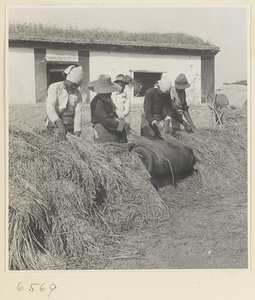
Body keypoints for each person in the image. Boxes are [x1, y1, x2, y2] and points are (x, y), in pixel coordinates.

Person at [141, 76, 193, 140]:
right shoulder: (150, 93)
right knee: (150, 139)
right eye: (162, 94)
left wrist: (167, 121)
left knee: (161, 140)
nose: (164, 96)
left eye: (165, 95)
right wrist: (157, 124)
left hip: (158, 118)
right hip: (148, 119)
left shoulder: (166, 94)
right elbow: (148, 111)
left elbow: (169, 108)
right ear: (159, 88)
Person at [46, 66, 84, 140]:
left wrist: (77, 132)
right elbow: (50, 107)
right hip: (54, 124)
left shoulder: (78, 94)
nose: (73, 88)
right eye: (72, 85)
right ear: (67, 80)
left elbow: (78, 114)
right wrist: (59, 124)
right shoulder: (54, 87)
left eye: (76, 86)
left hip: (69, 127)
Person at [89, 74, 128, 143]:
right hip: (102, 129)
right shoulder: (97, 102)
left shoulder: (107, 100)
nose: (110, 93)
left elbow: (113, 113)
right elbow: (105, 119)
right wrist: (120, 125)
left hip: (110, 126)